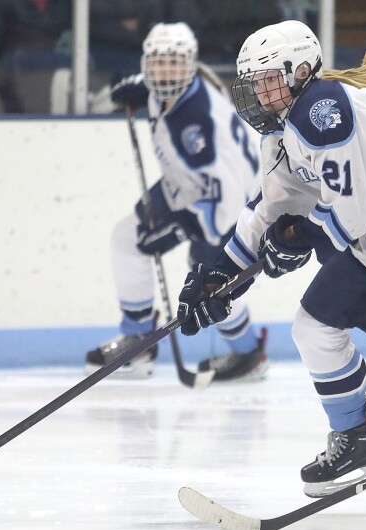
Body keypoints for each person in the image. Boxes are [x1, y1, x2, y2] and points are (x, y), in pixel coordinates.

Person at [176, 20, 366, 512]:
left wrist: (299, 237)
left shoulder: (324, 107)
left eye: (270, 79)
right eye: (255, 83)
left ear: (301, 71)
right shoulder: (282, 133)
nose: (260, 93)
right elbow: (268, 209)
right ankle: (355, 437)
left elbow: (353, 206)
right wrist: (217, 275)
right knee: (313, 327)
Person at [85, 22, 269, 382]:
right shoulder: (167, 90)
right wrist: (137, 88)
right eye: (158, 63)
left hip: (230, 206)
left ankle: (250, 354)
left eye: (174, 63)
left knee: (210, 282)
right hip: (186, 187)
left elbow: (228, 199)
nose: (166, 72)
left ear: (190, 65)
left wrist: (183, 225)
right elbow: (153, 88)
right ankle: (138, 340)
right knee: (128, 237)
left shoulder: (201, 121)